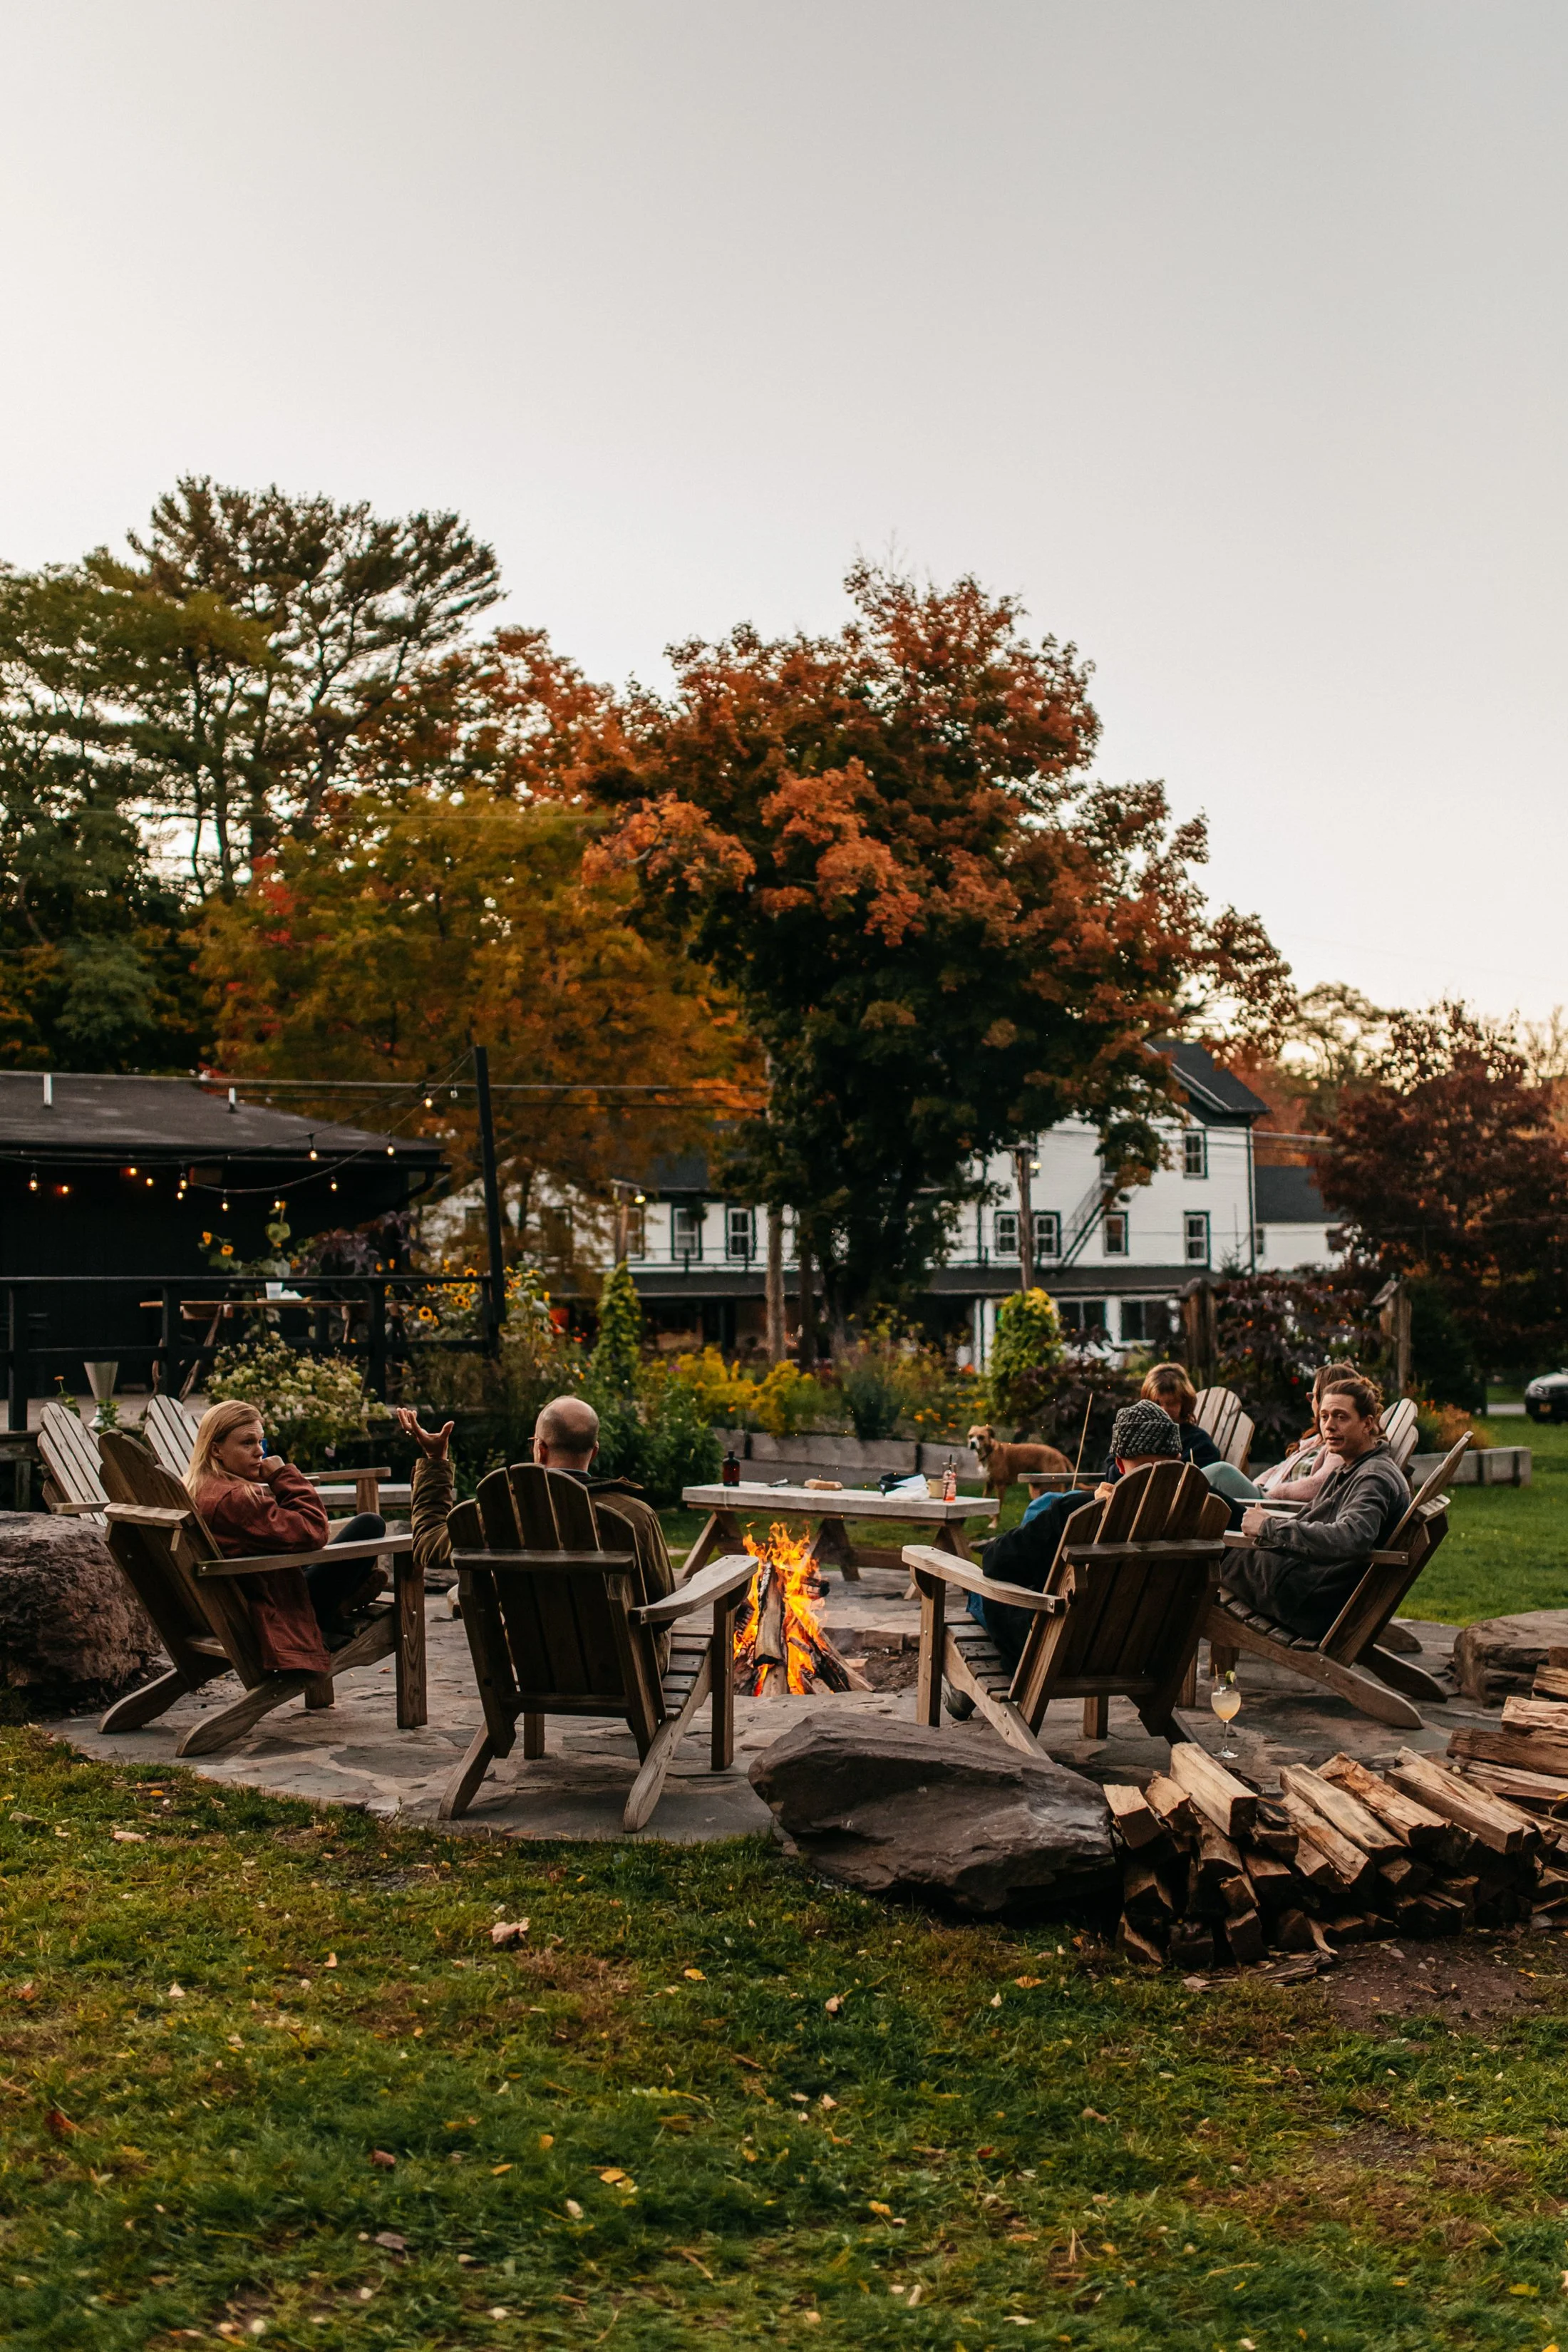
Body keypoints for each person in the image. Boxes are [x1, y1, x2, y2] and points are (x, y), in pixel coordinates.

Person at [394, 1394, 677, 1610]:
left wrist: (436, 1461)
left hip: (531, 1669)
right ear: (594, 1453)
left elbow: (428, 1543)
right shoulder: (637, 1517)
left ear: (540, 1450)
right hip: (626, 1673)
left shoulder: (502, 1513)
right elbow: (663, 1601)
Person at [967, 1399, 1185, 1673]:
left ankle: (965, 1681)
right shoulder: (1196, 1513)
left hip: (1059, 1652)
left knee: (980, 1590)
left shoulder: (1076, 1511)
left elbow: (997, 1563)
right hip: (1145, 1653)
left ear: (1118, 1463)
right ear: (1178, 1460)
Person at [186, 1398, 390, 1675]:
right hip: (277, 1613)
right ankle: (333, 1608)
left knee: (335, 1545)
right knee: (369, 1525)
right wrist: (283, 1476)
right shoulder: (237, 1498)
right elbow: (315, 1530)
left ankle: (339, 1605)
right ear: (216, 1450)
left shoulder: (199, 1489)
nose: (259, 1452)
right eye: (248, 1443)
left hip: (249, 1592)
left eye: (261, 1442)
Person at [1217, 1375, 1410, 1642]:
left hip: (1297, 1595)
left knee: (1192, 1532)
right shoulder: (1355, 1466)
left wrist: (1267, 1527)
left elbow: (1351, 1538)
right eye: (1325, 1416)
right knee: (1204, 1497)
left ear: (1367, 1423)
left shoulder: (1372, 1478)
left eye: (1341, 1417)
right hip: (1293, 1574)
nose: (1329, 1426)